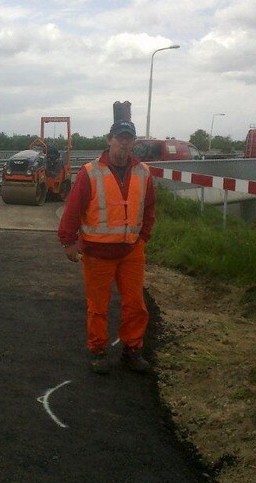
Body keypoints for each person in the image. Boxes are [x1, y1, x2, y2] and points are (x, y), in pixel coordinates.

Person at [57, 120, 156, 374]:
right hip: (97, 252)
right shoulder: (90, 172)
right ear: (109, 139)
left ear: (133, 142)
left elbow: (149, 207)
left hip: (131, 250)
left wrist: (143, 235)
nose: (124, 142)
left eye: (129, 138)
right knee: (98, 306)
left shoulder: (143, 172)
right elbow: (73, 208)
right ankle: (98, 350)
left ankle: (132, 350)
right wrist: (68, 241)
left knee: (135, 304)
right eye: (120, 137)